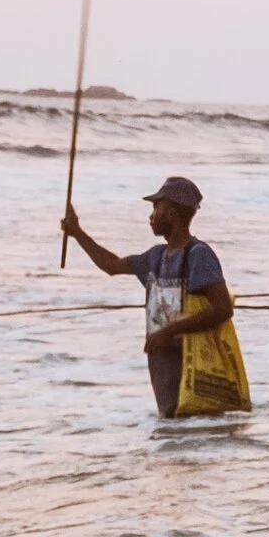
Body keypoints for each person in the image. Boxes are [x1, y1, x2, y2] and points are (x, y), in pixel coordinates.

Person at [62, 175, 241, 420]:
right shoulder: (154, 258)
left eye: (157, 207)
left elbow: (222, 308)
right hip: (162, 364)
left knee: (194, 429)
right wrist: (77, 233)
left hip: (192, 364)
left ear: (174, 212)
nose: (151, 215)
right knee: (173, 431)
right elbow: (111, 265)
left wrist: (167, 332)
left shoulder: (198, 255)